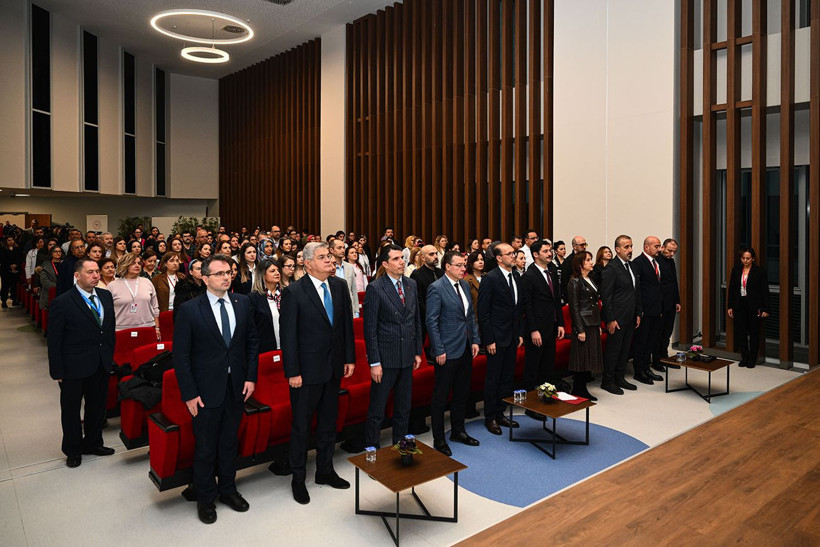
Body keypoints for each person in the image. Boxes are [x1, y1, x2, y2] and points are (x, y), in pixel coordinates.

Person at [173, 254, 259, 524]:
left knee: (229, 443)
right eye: (219, 273)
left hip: (236, 387)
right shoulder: (190, 309)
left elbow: (251, 343)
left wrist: (250, 377)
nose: (226, 277)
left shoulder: (243, 303)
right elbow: (181, 356)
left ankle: (228, 490)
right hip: (205, 391)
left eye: (229, 272)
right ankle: (205, 497)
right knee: (206, 447)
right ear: (205, 277)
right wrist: (189, 393)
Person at [279, 242, 355, 505]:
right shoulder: (295, 292)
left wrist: (349, 357)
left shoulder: (338, 286)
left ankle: (325, 471)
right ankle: (298, 479)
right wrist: (293, 371)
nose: (329, 261)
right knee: (301, 427)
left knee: (328, 423)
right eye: (323, 257)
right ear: (307, 263)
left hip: (333, 368)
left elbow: (345, 326)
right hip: (306, 373)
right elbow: (288, 337)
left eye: (330, 257)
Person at [47, 257, 116, 468]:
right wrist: (57, 369)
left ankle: (93, 443)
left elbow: (108, 330)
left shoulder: (105, 296)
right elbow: (54, 339)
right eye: (90, 272)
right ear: (77, 276)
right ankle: (73, 449)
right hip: (73, 366)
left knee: (96, 407)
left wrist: (109, 357)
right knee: (71, 410)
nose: (96, 275)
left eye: (97, 272)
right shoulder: (63, 302)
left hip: (100, 363)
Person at [362, 244, 423, 449]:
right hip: (385, 358)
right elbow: (370, 329)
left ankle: (401, 447)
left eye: (402, 258)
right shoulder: (376, 288)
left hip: (406, 355)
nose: (401, 262)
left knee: (403, 407)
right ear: (385, 264)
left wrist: (417, 351)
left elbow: (416, 321)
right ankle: (372, 450)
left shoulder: (411, 284)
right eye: (396, 259)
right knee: (377, 410)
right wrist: (375, 361)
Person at [425, 251, 481, 456]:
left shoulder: (465, 285)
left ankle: (458, 431)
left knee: (461, 393)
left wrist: (475, 340)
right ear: (447, 266)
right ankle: (439, 438)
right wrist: (438, 349)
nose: (462, 269)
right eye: (458, 265)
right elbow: (431, 321)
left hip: (465, 347)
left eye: (463, 265)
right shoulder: (436, 288)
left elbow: (470, 316)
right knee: (440, 397)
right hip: (446, 351)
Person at [477, 243, 523, 435]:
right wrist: (489, 339)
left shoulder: (516, 276)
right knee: (493, 379)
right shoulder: (491, 279)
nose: (514, 256)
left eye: (514, 253)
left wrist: (519, 333)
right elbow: (483, 312)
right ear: (498, 258)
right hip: (496, 338)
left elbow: (517, 309)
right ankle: (490, 417)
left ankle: (501, 412)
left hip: (512, 336)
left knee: (506, 378)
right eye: (510, 254)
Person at [520, 240, 566, 405]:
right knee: (533, 368)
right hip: (537, 329)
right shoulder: (529, 276)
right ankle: (531, 404)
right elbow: (527, 306)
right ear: (535, 254)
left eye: (550, 250)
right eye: (545, 251)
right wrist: (533, 330)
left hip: (551, 326)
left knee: (548, 366)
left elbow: (556, 301)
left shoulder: (551, 272)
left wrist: (560, 323)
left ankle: (546, 399)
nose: (549, 253)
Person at [600, 235, 641, 395]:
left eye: (631, 246)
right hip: (616, 318)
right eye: (626, 247)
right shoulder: (611, 268)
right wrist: (610, 319)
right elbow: (606, 296)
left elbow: (636, 292)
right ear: (617, 249)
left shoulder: (631, 267)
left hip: (630, 316)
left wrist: (638, 313)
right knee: (613, 350)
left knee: (624, 350)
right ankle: (608, 381)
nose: (630, 250)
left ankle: (619, 377)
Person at [566, 251, 603, 401]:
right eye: (588, 260)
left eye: (591, 259)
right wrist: (579, 329)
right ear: (580, 264)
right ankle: (579, 388)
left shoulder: (590, 279)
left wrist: (598, 324)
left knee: (588, 357)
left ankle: (582, 388)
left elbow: (594, 304)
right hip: (583, 324)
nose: (591, 262)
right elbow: (574, 307)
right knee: (581, 358)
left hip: (592, 322)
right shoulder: (575, 281)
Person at [727, 247, 770, 368]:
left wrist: (766, 308)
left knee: (754, 333)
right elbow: (732, 289)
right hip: (739, 305)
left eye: (748, 258)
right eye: (743, 258)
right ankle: (744, 357)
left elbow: (764, 291)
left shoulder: (760, 271)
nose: (745, 260)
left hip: (754, 305)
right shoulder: (736, 270)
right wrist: (730, 306)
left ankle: (752, 359)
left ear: (753, 259)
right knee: (741, 333)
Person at [630, 236, 665, 385]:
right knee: (641, 342)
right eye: (656, 246)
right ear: (646, 247)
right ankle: (639, 371)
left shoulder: (657, 263)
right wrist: (640, 310)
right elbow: (637, 289)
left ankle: (646, 368)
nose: (659, 249)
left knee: (651, 341)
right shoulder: (638, 263)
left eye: (659, 246)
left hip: (656, 309)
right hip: (644, 310)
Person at [107, 252, 161, 336]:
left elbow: (155, 308)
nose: (137, 265)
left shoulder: (147, 282)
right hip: (121, 329)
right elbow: (107, 311)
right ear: (125, 265)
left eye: (139, 263)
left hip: (147, 327)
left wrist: (157, 328)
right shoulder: (112, 286)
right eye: (133, 263)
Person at [411, 244, 443, 356]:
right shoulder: (417, 275)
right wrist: (433, 313)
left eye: (436, 253)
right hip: (425, 318)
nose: (435, 256)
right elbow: (418, 300)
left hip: (443, 317)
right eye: (431, 254)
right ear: (423, 258)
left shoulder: (441, 273)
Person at [248, 258, 282, 353]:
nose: (277, 273)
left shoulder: (286, 294)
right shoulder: (253, 298)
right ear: (263, 274)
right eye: (272, 271)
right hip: (265, 350)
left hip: (286, 348)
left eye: (278, 270)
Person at [657, 238, 681, 369]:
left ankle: (665, 356)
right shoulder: (657, 261)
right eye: (669, 250)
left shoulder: (671, 262)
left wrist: (677, 301)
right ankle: (658, 359)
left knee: (667, 332)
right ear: (662, 248)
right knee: (659, 333)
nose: (671, 254)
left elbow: (674, 282)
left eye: (674, 252)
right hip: (661, 303)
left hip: (671, 302)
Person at [328, 238, 360, 318]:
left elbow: (353, 290)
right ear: (331, 250)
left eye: (343, 248)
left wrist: (356, 310)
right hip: (333, 305)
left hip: (348, 306)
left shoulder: (349, 267)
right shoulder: (327, 267)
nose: (342, 250)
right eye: (339, 248)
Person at [0, 236, 24, 307]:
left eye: (12, 240)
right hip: (5, 270)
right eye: (9, 240)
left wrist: (16, 264)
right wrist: (10, 265)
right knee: (5, 286)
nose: (11, 241)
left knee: (14, 286)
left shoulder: (17, 249)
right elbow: (2, 259)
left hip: (16, 269)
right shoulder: (2, 249)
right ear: (6, 242)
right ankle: (4, 301)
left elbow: (21, 258)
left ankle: (14, 300)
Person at [38, 245, 63, 309]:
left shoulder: (65, 263)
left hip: (63, 292)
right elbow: (44, 281)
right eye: (55, 251)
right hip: (49, 292)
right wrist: (58, 286)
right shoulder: (45, 265)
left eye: (59, 251)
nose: (58, 253)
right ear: (51, 253)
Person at [464, 250, 485, 318]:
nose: (480, 262)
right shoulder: (467, 280)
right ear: (471, 263)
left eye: (482, 259)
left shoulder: (487, 276)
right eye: (477, 260)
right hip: (474, 316)